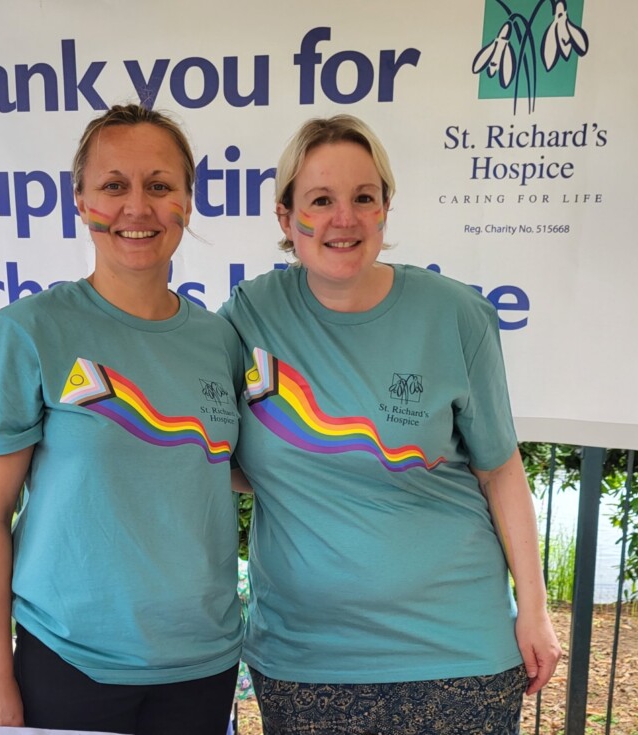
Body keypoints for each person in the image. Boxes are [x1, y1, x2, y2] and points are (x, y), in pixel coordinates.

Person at [220, 115, 561, 735]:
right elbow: (223, 457)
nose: (342, 219)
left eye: (363, 198)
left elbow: (501, 470)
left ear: (385, 209)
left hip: (458, 656)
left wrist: (534, 611)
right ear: (284, 217)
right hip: (305, 662)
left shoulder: (455, 315)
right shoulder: (248, 318)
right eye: (320, 200)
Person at [0, 104, 243, 735]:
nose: (136, 207)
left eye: (159, 185)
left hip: (203, 661)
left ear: (187, 203)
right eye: (114, 186)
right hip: (69, 662)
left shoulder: (219, 340)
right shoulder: (30, 332)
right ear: (81, 201)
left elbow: (235, 468)